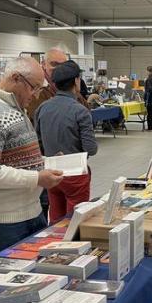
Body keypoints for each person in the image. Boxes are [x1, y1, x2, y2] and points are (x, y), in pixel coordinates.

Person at [0, 57, 64, 257]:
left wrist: (46, 162)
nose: (36, 95)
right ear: (16, 78)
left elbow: (15, 157)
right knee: (9, 280)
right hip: (5, 220)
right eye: (34, 88)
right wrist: (37, 178)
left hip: (29, 211)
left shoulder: (12, 106)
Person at [35, 60, 98, 223]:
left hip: (52, 173)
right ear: (76, 81)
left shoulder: (42, 108)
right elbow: (91, 149)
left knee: (55, 219)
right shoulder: (80, 111)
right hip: (75, 173)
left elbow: (38, 143)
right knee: (75, 222)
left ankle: (53, 246)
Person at [25, 47, 68, 124]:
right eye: (54, 64)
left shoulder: (68, 85)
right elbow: (40, 118)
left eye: (63, 65)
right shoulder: (35, 88)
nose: (59, 68)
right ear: (44, 64)